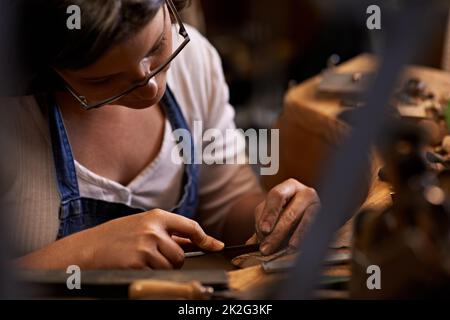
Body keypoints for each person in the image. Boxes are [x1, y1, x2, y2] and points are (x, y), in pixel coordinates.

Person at [3, 0, 320, 270]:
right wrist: (85, 253)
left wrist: (275, 219)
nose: (150, 87)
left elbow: (226, 204)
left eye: (157, 47)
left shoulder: (192, 62)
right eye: (105, 79)